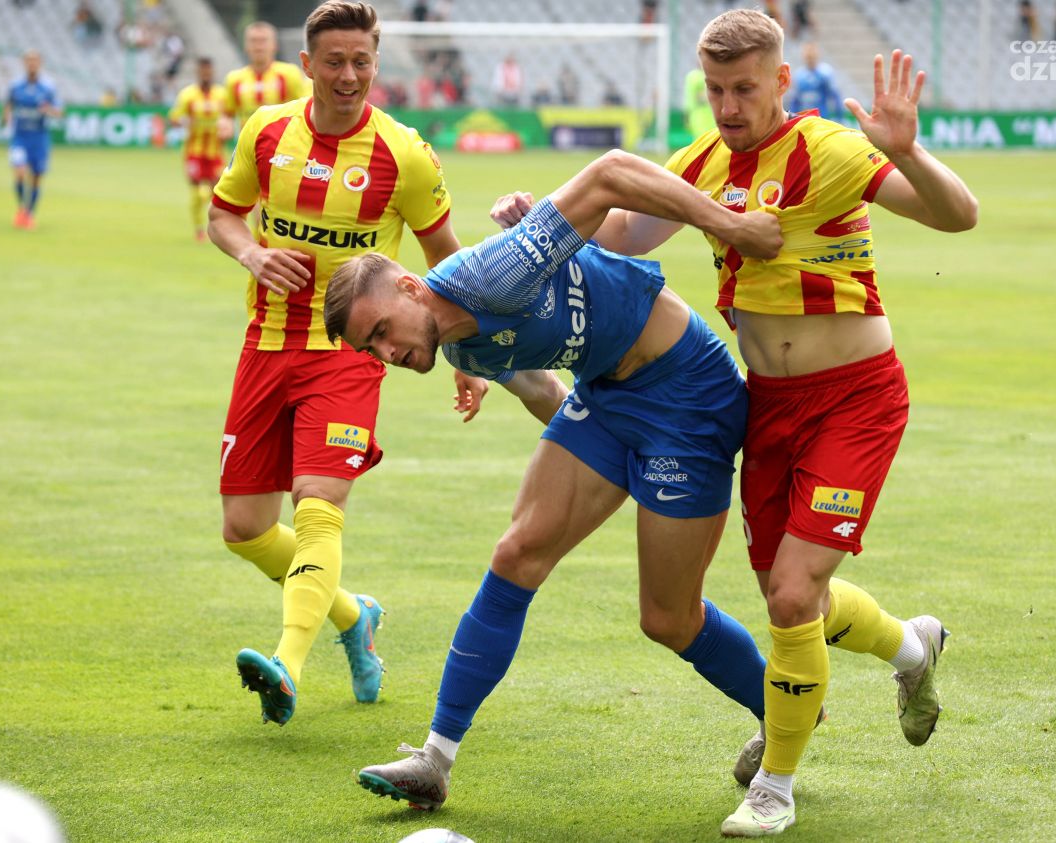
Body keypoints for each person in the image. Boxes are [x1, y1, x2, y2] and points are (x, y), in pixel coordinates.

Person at [489, 10, 977, 836]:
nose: (727, 106)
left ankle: (775, 786)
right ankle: (910, 646)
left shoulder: (826, 148)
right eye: (715, 90)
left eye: (744, 89)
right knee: (797, 602)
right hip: (769, 406)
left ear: (781, 81)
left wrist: (908, 153)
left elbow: (957, 215)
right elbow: (624, 231)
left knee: (791, 595)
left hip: (855, 398)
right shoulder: (703, 163)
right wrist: (542, 220)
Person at [327, 150, 784, 813]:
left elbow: (611, 173)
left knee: (668, 618)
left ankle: (785, 714)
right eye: (370, 349)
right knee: (518, 552)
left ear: (409, 288)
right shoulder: (460, 343)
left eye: (381, 332)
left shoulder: (491, 275)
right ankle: (434, 760)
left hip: (689, 397)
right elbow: (544, 391)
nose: (386, 354)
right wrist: (596, 465)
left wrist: (731, 226)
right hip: (607, 395)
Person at [207, 0, 461, 726]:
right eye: (335, 61)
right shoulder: (266, 132)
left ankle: (286, 665)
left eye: (362, 61)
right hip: (266, 344)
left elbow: (448, 262)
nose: (349, 76)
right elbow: (223, 216)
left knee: (317, 507)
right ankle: (355, 614)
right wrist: (253, 254)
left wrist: (465, 354)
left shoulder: (404, 154)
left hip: (350, 355)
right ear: (307, 64)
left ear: (376, 63)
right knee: (245, 529)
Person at [168, 57, 228, 242]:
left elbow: (229, 117)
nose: (206, 74)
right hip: (194, 152)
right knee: (197, 193)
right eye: (203, 71)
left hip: (215, 152)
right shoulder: (188, 95)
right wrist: (186, 121)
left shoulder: (222, 95)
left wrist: (226, 129)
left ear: (212, 72)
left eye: (208, 71)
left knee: (218, 192)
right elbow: (174, 118)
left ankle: (216, 229)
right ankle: (199, 230)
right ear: (198, 73)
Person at [3, 50, 62, 230]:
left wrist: (49, 110)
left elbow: (59, 111)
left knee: (36, 177)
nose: (32, 63)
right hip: (20, 137)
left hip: (39, 138)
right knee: (20, 172)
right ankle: (23, 210)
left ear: (40, 63)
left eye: (35, 60)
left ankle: (29, 213)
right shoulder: (16, 85)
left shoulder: (48, 87)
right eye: (29, 60)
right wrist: (6, 117)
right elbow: (8, 104)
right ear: (24, 63)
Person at [223, 21, 310, 130]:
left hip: (281, 139)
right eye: (253, 41)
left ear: (274, 45)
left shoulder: (290, 74)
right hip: (247, 140)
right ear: (245, 45)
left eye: (263, 41)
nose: (258, 46)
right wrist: (225, 125)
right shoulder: (233, 79)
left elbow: (304, 108)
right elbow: (227, 114)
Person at [788, 43, 842, 122]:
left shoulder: (825, 73)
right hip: (804, 119)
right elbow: (795, 100)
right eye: (808, 57)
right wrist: (792, 118)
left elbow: (835, 96)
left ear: (817, 56)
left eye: (812, 57)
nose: (810, 60)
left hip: (822, 117)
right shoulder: (799, 75)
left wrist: (839, 117)